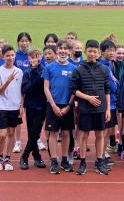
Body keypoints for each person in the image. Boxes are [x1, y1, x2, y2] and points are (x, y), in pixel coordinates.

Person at [70, 39, 111, 175]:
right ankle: (82, 161)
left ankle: (99, 160)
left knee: (100, 134)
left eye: (95, 51)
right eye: (90, 51)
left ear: (99, 53)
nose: (92, 54)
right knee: (83, 135)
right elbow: (74, 90)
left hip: (100, 108)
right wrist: (88, 98)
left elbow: (107, 90)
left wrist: (108, 109)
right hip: (85, 108)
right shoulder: (78, 70)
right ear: (85, 52)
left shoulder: (104, 69)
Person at [42, 39, 76, 174]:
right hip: (53, 104)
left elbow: (75, 89)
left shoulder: (73, 68)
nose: (63, 51)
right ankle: (54, 160)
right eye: (60, 48)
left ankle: (64, 159)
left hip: (67, 105)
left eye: (65, 49)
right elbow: (46, 87)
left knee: (67, 132)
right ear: (57, 51)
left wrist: (68, 106)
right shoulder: (49, 67)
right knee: (53, 133)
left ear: (69, 51)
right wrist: (53, 105)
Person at [0, 45, 23, 171]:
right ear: (3, 57)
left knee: (11, 133)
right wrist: (8, 81)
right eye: (7, 56)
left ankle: (8, 158)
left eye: (12, 55)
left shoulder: (19, 72)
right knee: (3, 135)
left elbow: (22, 91)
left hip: (14, 107)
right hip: (2, 107)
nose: (10, 58)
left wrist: (22, 106)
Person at [19, 49, 47, 170]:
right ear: (29, 58)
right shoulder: (27, 72)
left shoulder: (44, 71)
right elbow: (25, 89)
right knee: (32, 132)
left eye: (37, 56)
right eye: (32, 57)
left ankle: (24, 156)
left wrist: (36, 73)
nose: (35, 59)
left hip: (41, 106)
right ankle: (36, 156)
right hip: (30, 106)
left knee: (35, 132)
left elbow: (44, 87)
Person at [99, 39, 119, 168]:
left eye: (113, 50)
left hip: (112, 103)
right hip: (105, 104)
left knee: (108, 131)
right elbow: (109, 86)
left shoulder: (110, 64)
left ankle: (103, 153)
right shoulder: (102, 65)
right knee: (103, 132)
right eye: (109, 50)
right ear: (102, 52)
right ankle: (100, 157)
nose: (112, 53)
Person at [13, 32, 32, 153]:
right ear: (18, 42)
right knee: (18, 116)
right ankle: (18, 142)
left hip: (31, 89)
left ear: (29, 42)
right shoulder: (15, 56)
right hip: (18, 89)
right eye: (22, 41)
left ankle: (36, 139)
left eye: (26, 41)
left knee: (32, 116)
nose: (24, 43)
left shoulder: (32, 55)